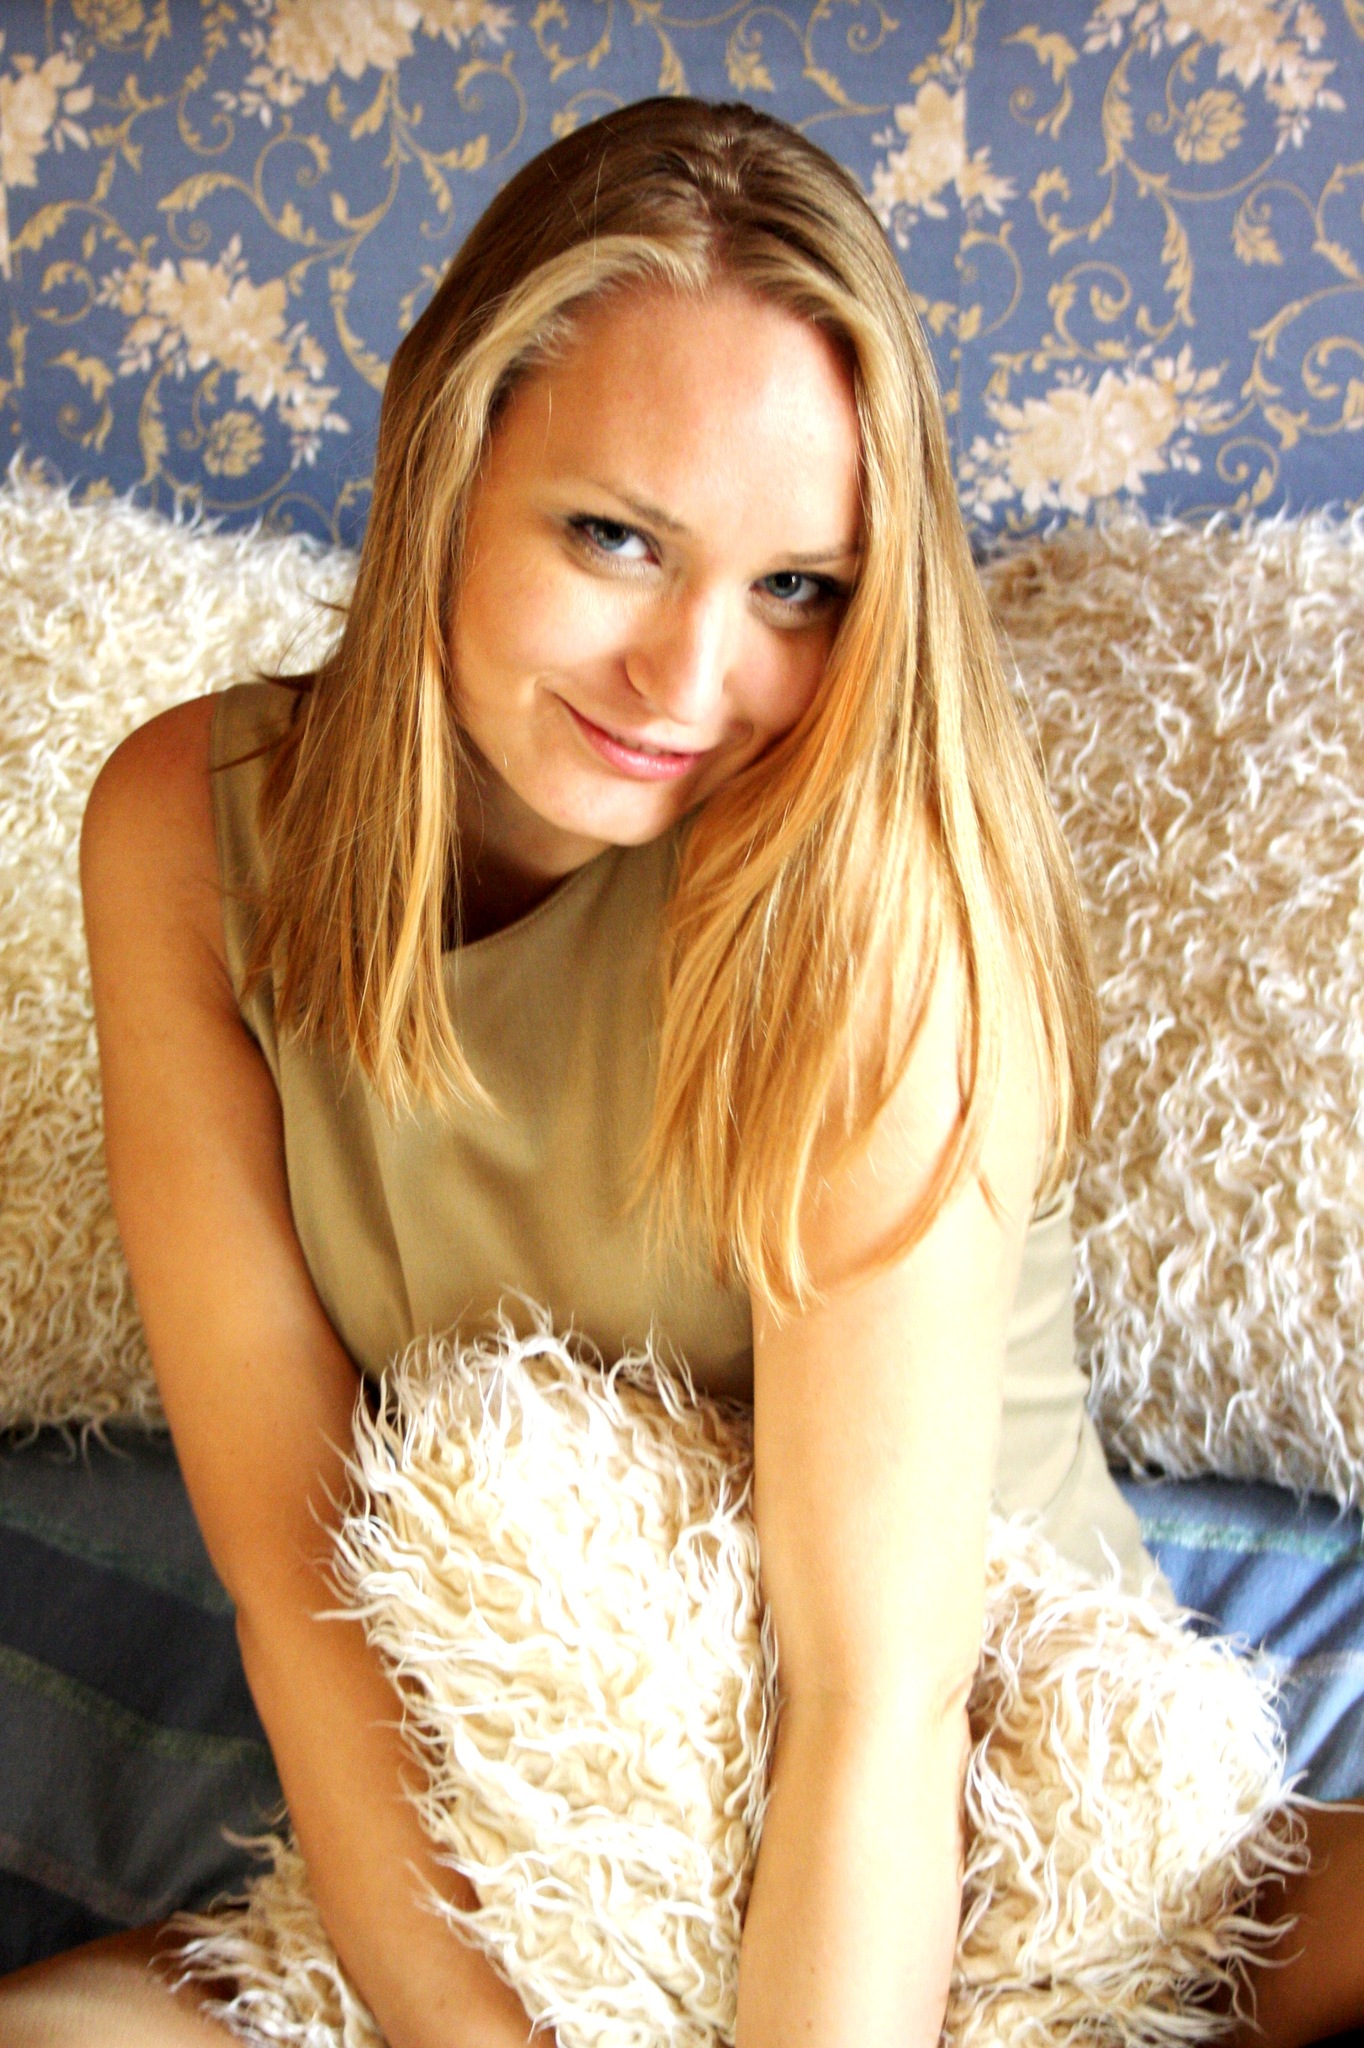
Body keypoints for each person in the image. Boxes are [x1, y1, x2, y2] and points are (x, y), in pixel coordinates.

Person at [1, 96, 1360, 2048]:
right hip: (552, 1851)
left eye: (799, 588)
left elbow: (876, 1702)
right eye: (615, 538)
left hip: (1018, 1857)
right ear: (445, 454)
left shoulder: (874, 917)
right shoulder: (183, 834)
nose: (689, 680)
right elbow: (299, 1589)